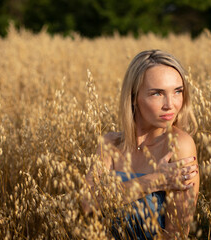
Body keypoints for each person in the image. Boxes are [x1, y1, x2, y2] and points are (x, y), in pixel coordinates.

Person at [84, 49, 199, 239]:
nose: (170, 104)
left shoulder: (179, 146)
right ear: (134, 97)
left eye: (178, 91)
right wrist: (155, 180)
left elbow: (176, 234)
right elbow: (87, 204)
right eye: (157, 94)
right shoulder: (110, 143)